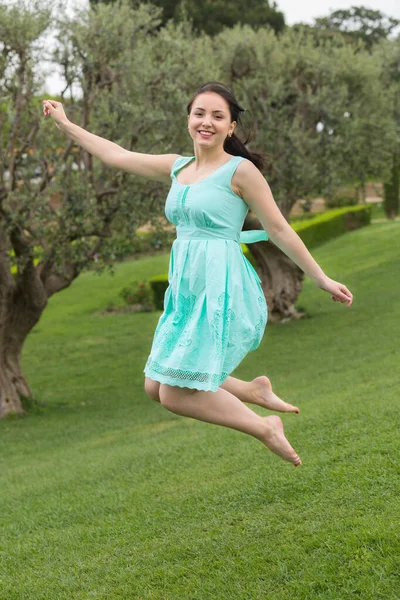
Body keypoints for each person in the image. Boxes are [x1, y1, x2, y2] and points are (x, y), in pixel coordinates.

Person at [43, 81, 353, 467]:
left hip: (221, 285)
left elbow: (279, 229)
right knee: (155, 386)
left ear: (231, 128)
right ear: (189, 118)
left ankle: (266, 427)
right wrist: (64, 123)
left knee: (174, 394)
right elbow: (116, 154)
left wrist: (322, 278)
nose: (207, 122)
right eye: (200, 113)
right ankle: (252, 390)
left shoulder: (241, 172)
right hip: (188, 286)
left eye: (217, 116)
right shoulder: (178, 167)